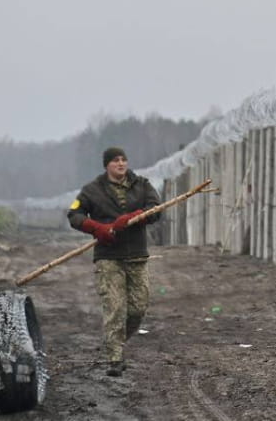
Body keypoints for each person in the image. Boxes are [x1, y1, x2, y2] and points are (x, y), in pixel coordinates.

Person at [67, 146, 163, 377]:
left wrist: (133, 217)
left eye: (124, 160)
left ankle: (116, 341)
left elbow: (156, 209)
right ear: (107, 165)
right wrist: (96, 228)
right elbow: (74, 215)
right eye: (115, 161)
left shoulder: (141, 185)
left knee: (138, 307)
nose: (121, 164)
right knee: (115, 307)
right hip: (109, 257)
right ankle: (115, 357)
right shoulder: (92, 191)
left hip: (136, 255)